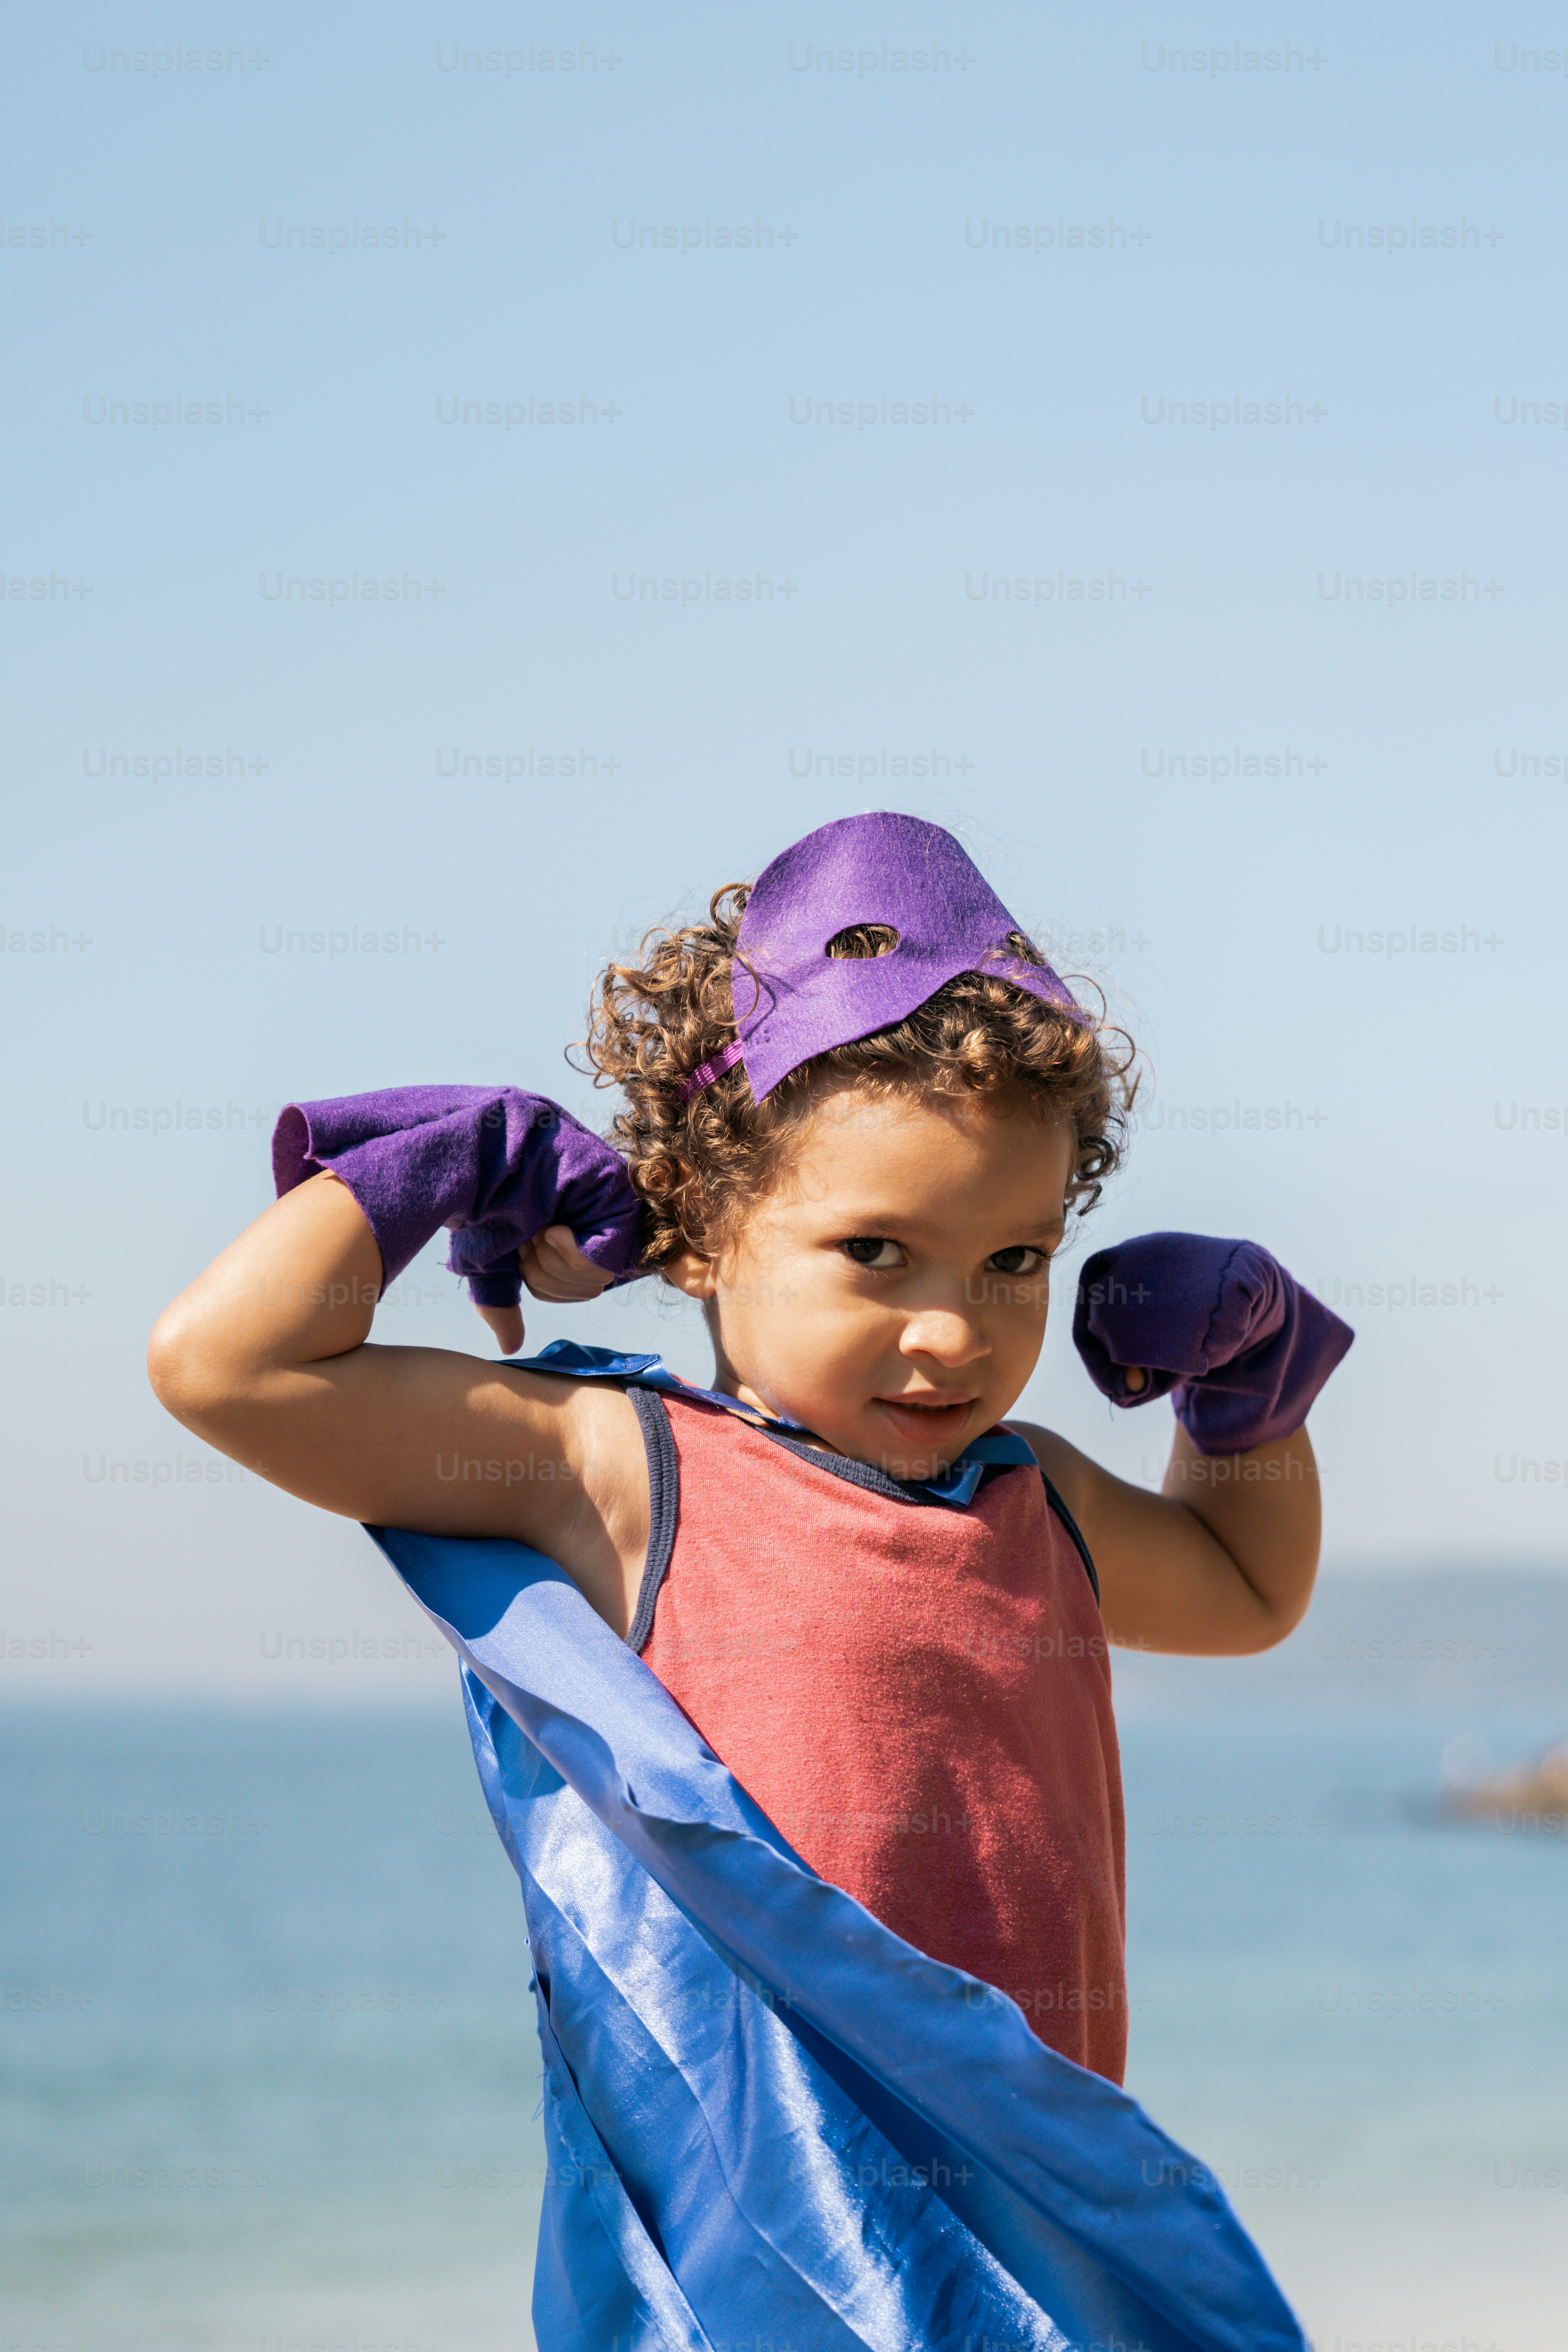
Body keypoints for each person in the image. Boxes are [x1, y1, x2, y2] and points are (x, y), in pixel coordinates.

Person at [148, 811, 1348, 2346]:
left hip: (1036, 2260)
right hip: (772, 2272)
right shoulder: (620, 1468)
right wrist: (447, 1165)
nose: (954, 1330)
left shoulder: (1036, 1496)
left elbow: (1248, 1586)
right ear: (702, 1231)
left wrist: (1249, 1395)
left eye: (1015, 1260)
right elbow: (223, 1365)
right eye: (876, 1251)